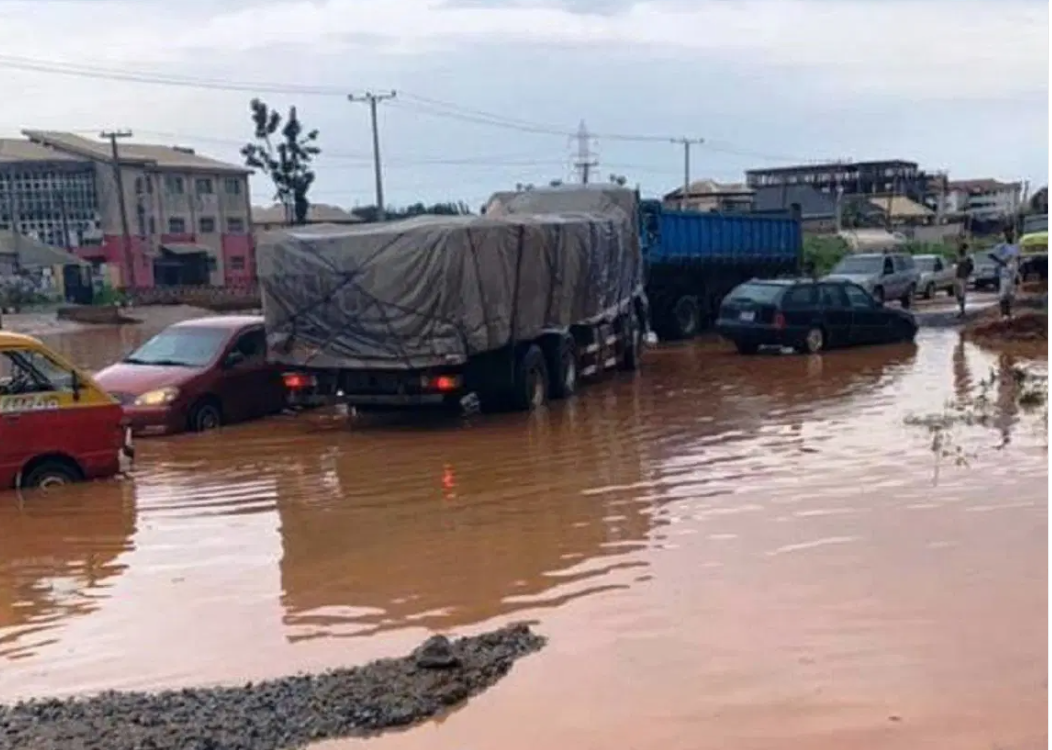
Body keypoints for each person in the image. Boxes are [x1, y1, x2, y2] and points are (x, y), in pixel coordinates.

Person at [989, 226, 1021, 319]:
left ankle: (1010, 313)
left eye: (1011, 233)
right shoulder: (1001, 246)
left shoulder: (1016, 247)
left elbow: (1018, 259)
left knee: (1011, 294)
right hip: (1004, 273)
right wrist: (1001, 262)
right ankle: (1004, 314)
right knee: (1003, 294)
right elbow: (991, 254)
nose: (1009, 235)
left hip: (1013, 272)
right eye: (1007, 233)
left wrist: (1018, 273)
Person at [953, 237, 974, 317]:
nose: (959, 249)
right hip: (957, 277)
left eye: (961, 248)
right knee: (957, 294)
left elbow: (971, 267)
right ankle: (961, 309)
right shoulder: (958, 257)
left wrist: (967, 274)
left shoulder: (967, 258)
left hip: (963, 277)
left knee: (961, 294)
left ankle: (962, 310)